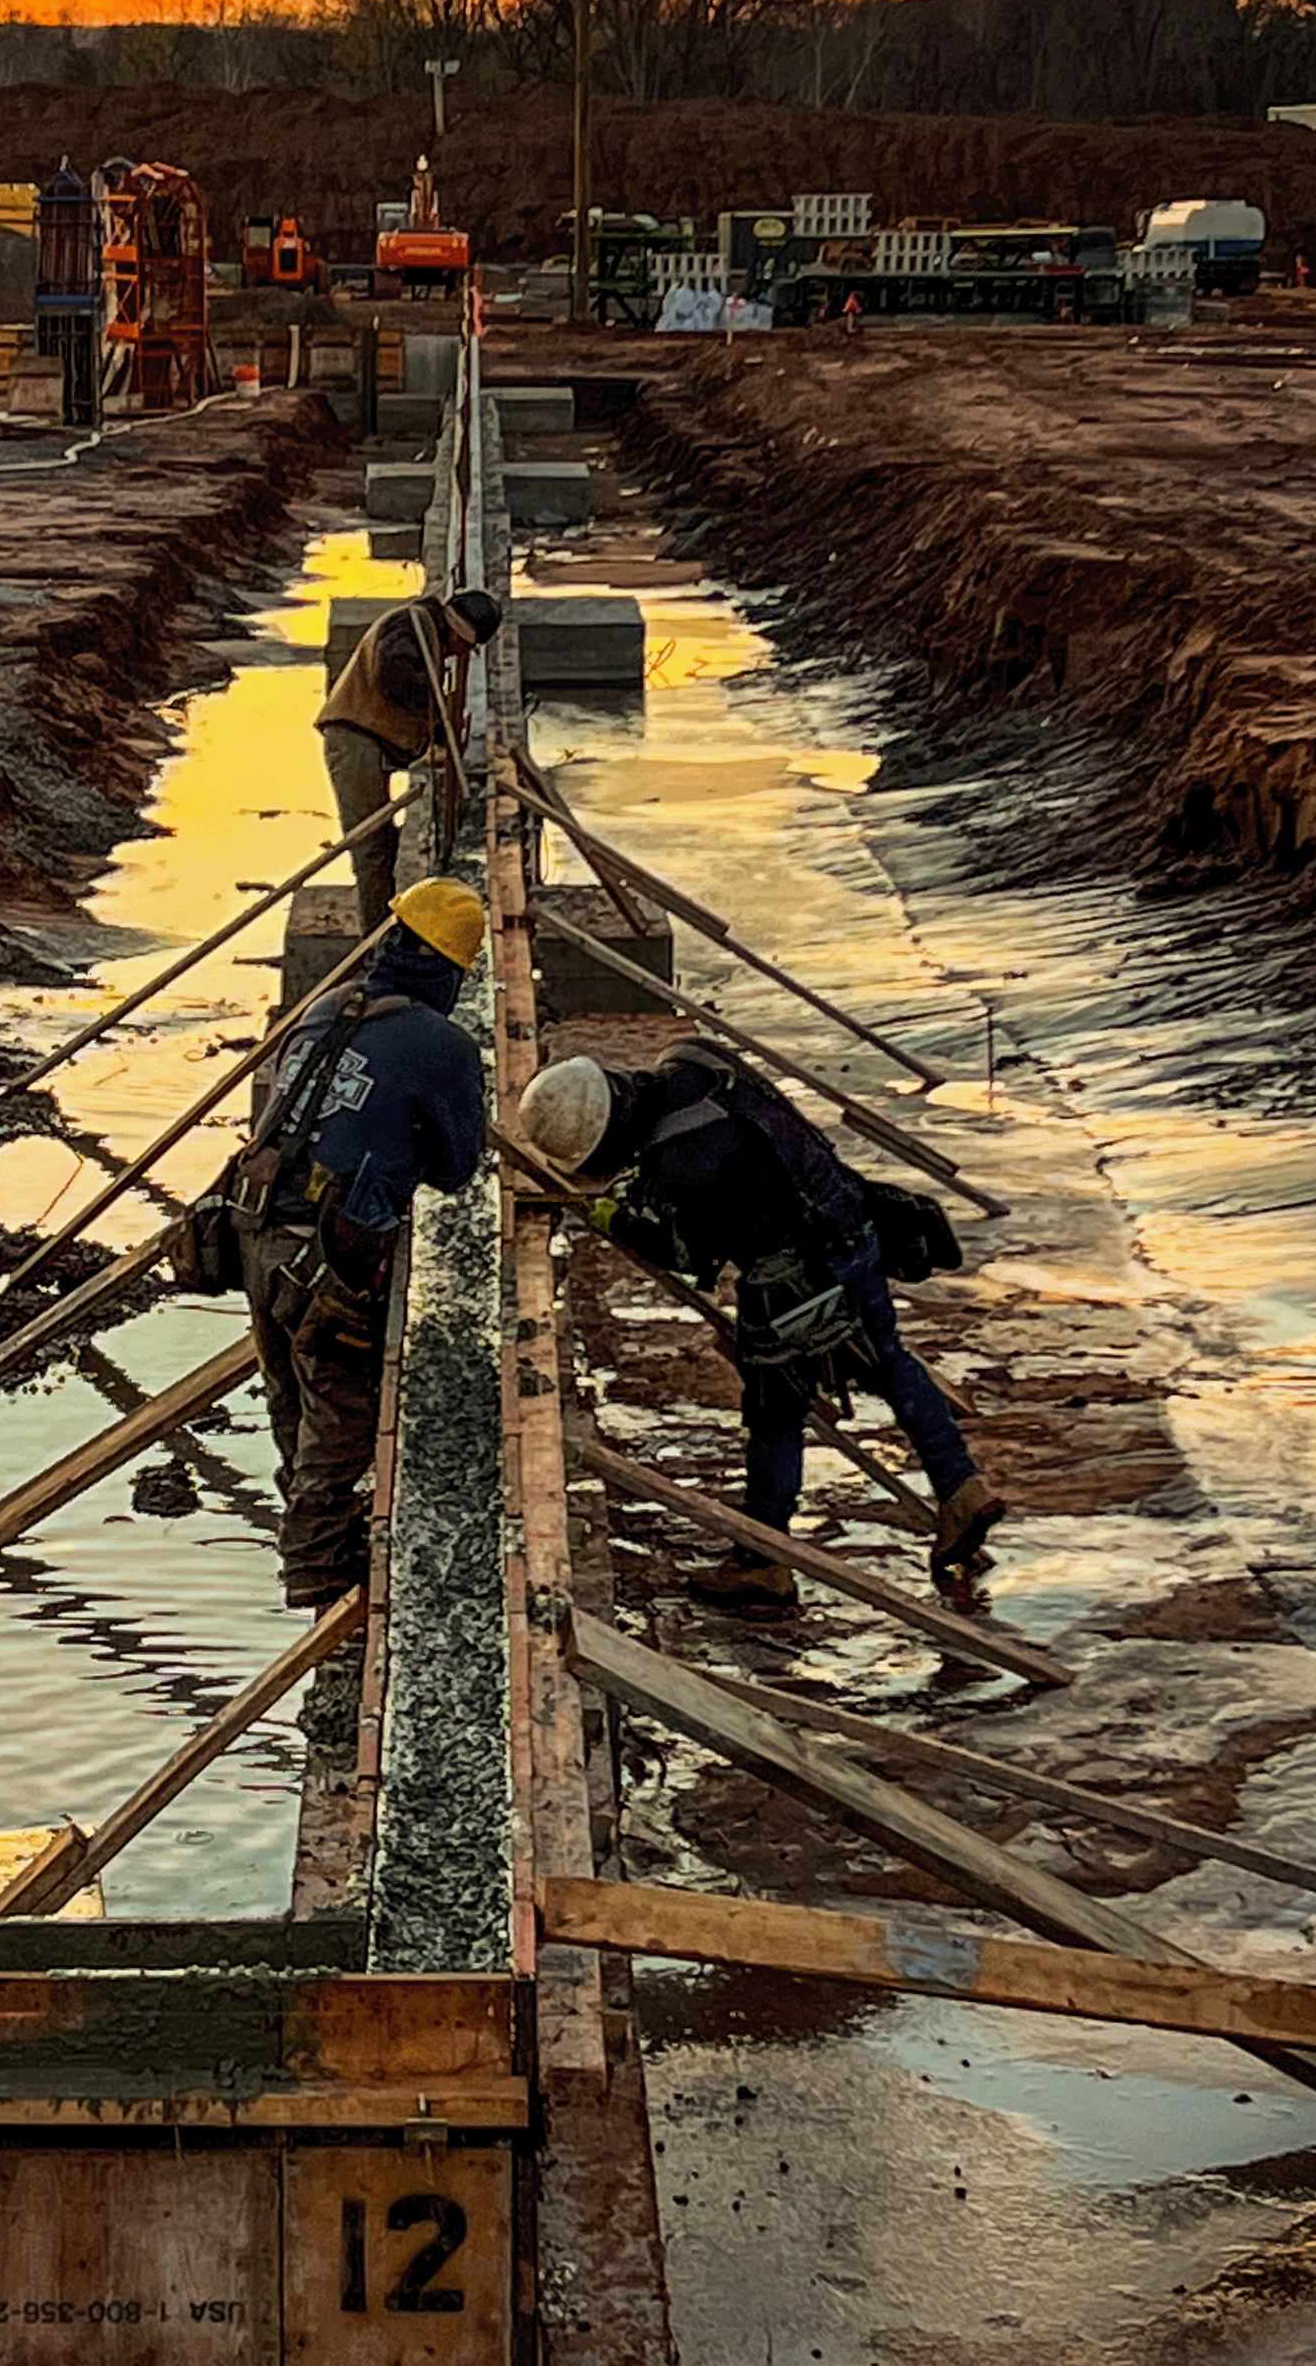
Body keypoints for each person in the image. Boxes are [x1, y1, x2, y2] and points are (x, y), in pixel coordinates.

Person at [515, 1041, 1001, 1608]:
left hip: (796, 1270)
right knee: (889, 1361)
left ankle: (765, 1558)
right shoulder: (690, 1064)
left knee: (775, 1409)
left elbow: (692, 1253)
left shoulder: (680, 1163)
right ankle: (960, 1486)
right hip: (851, 1218)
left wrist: (619, 1218)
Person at [240, 878, 488, 1610]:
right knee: (343, 1418)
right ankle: (318, 1572)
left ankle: (322, 1545)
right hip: (327, 1260)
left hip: (254, 1229)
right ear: (449, 970)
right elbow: (455, 1168)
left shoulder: (325, 1006)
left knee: (293, 1401)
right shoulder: (441, 1045)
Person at [317, 585, 505, 936]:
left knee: (385, 845)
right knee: (371, 847)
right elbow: (395, 679)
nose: (461, 655)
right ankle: (377, 942)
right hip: (355, 739)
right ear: (460, 633)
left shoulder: (427, 635)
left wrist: (440, 732)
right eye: (467, 647)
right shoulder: (410, 625)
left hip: (374, 743)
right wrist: (440, 714)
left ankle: (388, 924)